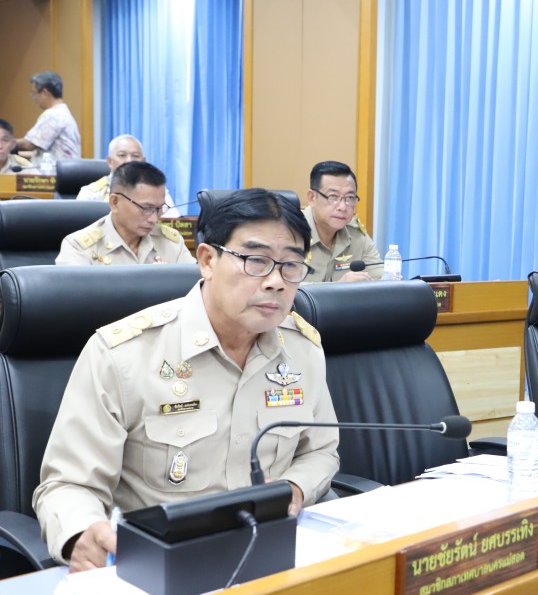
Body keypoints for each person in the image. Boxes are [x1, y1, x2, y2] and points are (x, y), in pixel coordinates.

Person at [33, 188, 341, 571]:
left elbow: (320, 451)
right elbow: (68, 484)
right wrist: (82, 534)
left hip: (271, 555)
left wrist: (294, 488)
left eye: (291, 265)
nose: (276, 282)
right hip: (160, 565)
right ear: (208, 260)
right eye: (257, 261)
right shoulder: (123, 354)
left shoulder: (303, 350)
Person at [55, 161, 195, 266]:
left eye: (159, 209)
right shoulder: (79, 247)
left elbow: (196, 289)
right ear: (115, 202)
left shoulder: (171, 243)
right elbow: (77, 296)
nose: (153, 219)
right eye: (146, 208)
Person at [302, 160, 383, 282]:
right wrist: (338, 288)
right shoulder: (288, 233)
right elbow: (281, 289)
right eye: (333, 197)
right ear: (312, 197)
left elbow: (380, 278)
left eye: (350, 198)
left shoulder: (356, 234)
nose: (343, 207)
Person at [76, 134, 178, 216]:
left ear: (143, 162)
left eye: (135, 156)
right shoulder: (91, 192)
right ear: (110, 161)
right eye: (122, 155)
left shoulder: (156, 190)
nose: (129, 160)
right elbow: (79, 226)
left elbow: (174, 223)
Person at [15, 71, 82, 161]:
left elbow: (29, 144)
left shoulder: (53, 115)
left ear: (44, 93)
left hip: (57, 169)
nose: (34, 99)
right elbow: (43, 155)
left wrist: (6, 143)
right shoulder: (63, 112)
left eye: (34, 94)